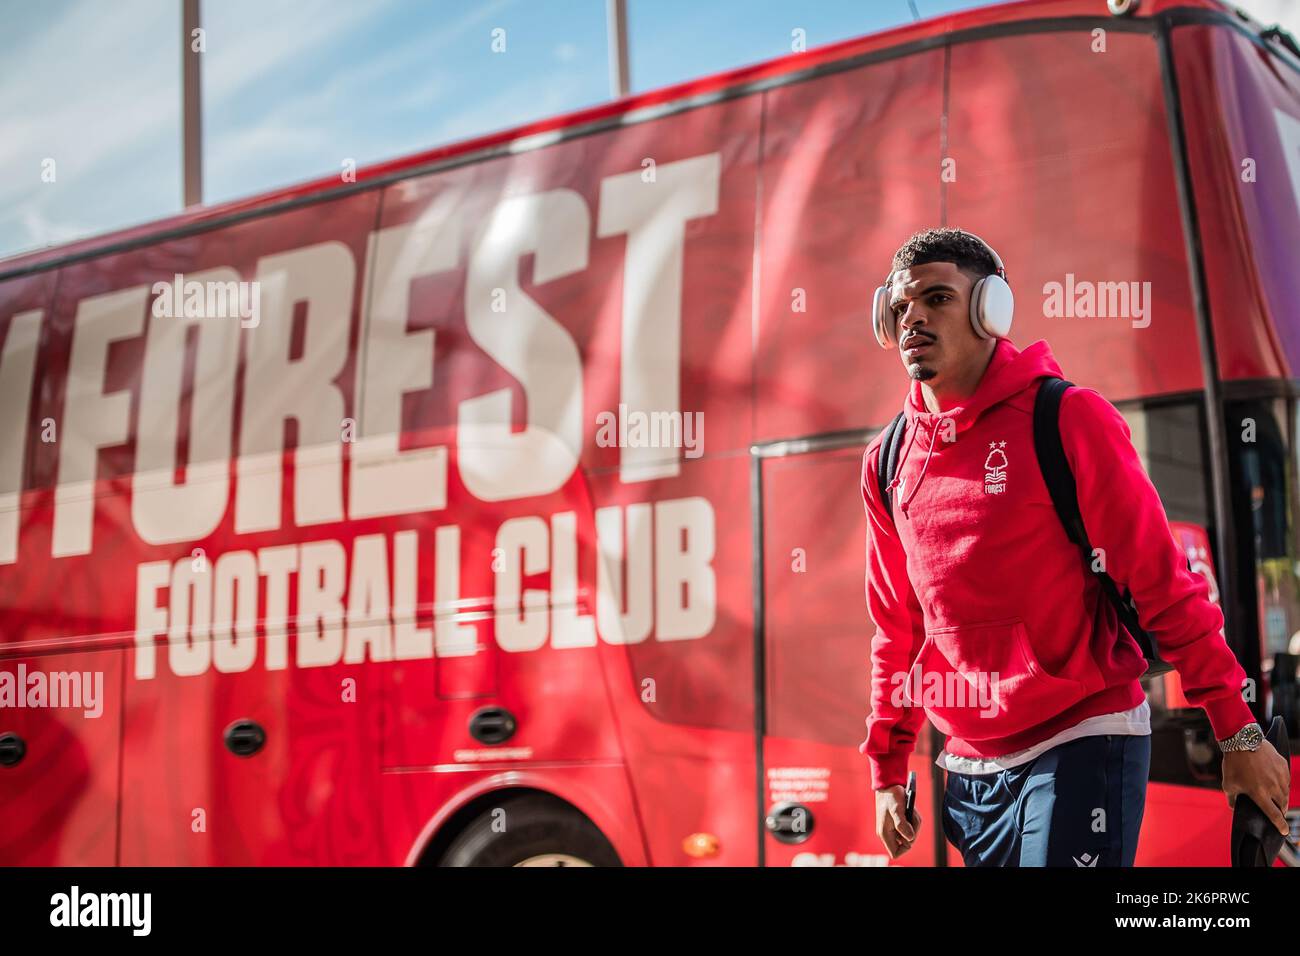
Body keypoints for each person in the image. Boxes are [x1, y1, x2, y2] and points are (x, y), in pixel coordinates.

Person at [859, 227, 1292, 866]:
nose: (913, 317)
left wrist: (1238, 730)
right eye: (899, 307)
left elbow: (1162, 579)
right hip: (970, 767)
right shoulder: (886, 461)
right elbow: (897, 627)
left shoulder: (1067, 418)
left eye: (938, 299)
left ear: (990, 311)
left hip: (1083, 734)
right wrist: (888, 767)